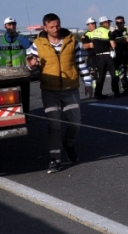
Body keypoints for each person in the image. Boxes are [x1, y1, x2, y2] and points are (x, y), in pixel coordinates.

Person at [26, 13, 92, 173]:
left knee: (76, 123)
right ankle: (55, 159)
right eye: (51, 27)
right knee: (54, 126)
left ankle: (68, 144)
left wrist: (88, 82)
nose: (55, 29)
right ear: (45, 28)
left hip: (70, 88)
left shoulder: (71, 41)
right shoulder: (37, 44)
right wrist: (31, 64)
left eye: (57, 25)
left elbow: (80, 62)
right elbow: (29, 64)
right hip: (50, 91)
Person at [2, 17, 33, 113]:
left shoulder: (22, 37)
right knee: (5, 98)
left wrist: (17, 36)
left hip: (21, 72)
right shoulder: (1, 39)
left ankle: (26, 116)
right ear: (5, 26)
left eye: (13, 24)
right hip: (4, 74)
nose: (12, 26)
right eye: (9, 25)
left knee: (24, 96)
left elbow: (27, 45)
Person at [90, 16, 119, 99]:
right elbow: (113, 45)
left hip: (98, 56)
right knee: (114, 74)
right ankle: (116, 92)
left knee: (101, 76)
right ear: (105, 23)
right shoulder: (108, 32)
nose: (109, 24)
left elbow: (92, 45)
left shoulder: (93, 32)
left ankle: (98, 94)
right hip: (108, 56)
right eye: (108, 22)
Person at [111, 15, 128, 95]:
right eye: (117, 23)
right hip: (119, 56)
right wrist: (122, 40)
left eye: (121, 23)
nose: (119, 24)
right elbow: (113, 43)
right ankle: (126, 90)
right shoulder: (114, 33)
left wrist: (117, 40)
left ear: (124, 23)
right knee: (122, 74)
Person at [80, 17, 98, 91]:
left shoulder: (99, 32)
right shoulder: (86, 35)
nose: (94, 25)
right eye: (92, 24)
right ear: (88, 25)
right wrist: (94, 44)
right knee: (94, 75)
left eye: (95, 23)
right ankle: (96, 91)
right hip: (92, 57)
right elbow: (85, 46)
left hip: (101, 56)